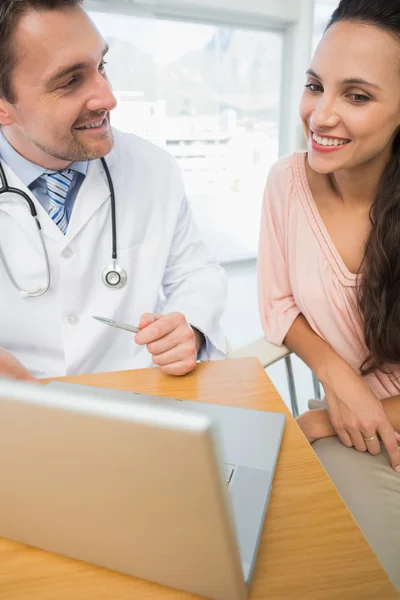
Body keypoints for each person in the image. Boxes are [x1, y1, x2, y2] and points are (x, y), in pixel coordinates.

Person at [0, 0, 227, 380]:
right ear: (4, 106)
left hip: (136, 399)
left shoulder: (153, 167)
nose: (108, 98)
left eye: (101, 66)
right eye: (70, 80)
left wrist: (188, 325)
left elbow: (195, 272)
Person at [258, 0, 400, 589]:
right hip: (363, 437)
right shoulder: (287, 181)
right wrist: (335, 374)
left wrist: (324, 423)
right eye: (316, 85)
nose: (321, 114)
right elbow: (278, 305)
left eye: (358, 96)